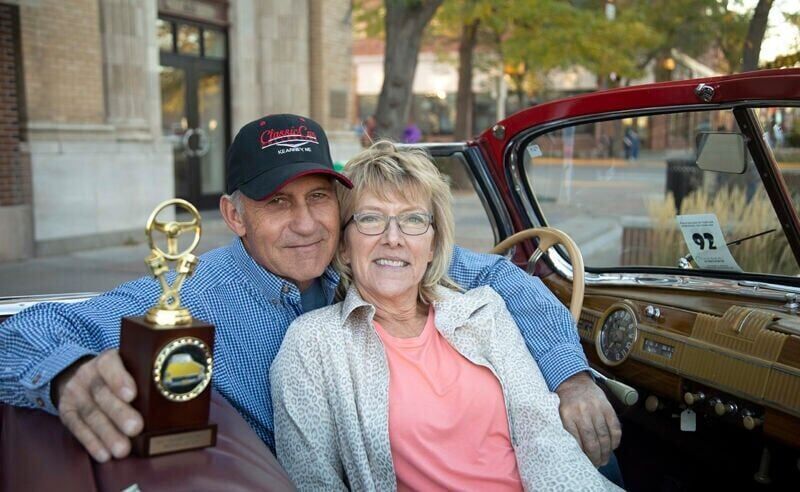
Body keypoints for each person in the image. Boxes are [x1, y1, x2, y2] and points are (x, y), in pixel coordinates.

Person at [0, 114, 618, 467]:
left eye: (319, 197)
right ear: (235, 215)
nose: (306, 224)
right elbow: (24, 330)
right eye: (277, 203)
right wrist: (66, 374)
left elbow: (498, 275)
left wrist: (570, 379)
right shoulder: (193, 292)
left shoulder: (362, 255)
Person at [271, 142, 620, 490]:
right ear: (345, 247)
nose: (393, 238)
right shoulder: (313, 344)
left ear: (433, 246)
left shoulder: (483, 312)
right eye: (371, 218)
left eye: (413, 219)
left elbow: (543, 438)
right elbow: (313, 482)